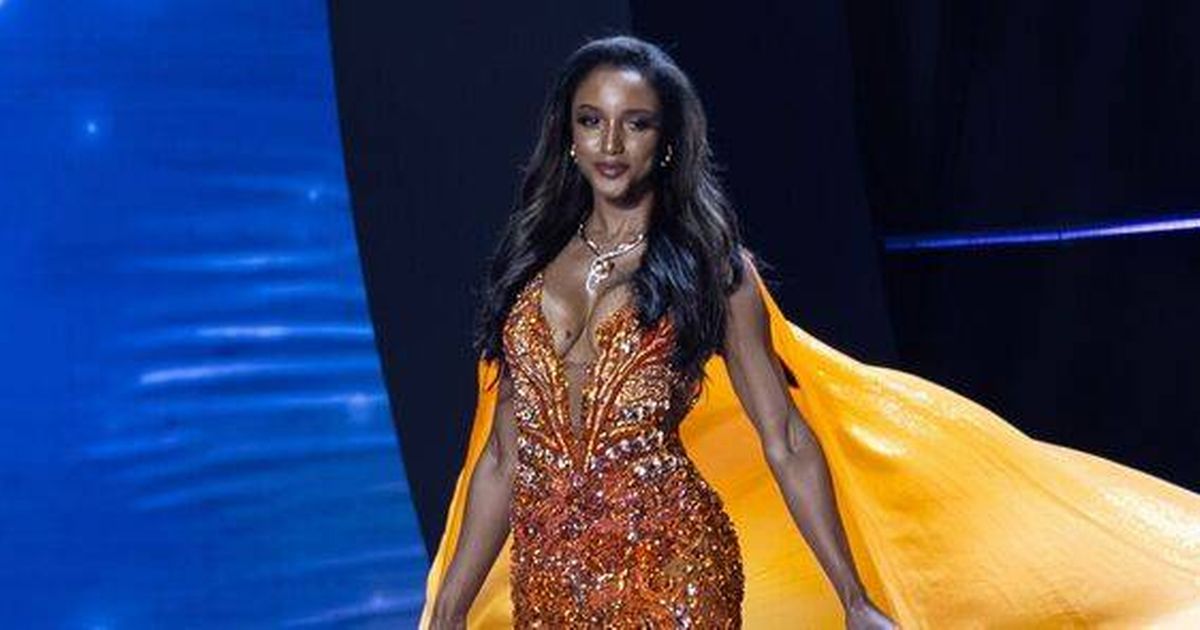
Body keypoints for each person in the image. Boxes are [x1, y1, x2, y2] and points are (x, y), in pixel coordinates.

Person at [421, 35, 1200, 628]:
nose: (611, 145)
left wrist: (852, 596)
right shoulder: (531, 266)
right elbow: (503, 460)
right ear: (568, 135)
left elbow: (786, 438)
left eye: (636, 124)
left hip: (668, 566)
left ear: (667, 141)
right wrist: (450, 611)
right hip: (550, 583)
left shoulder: (711, 269)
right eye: (592, 122)